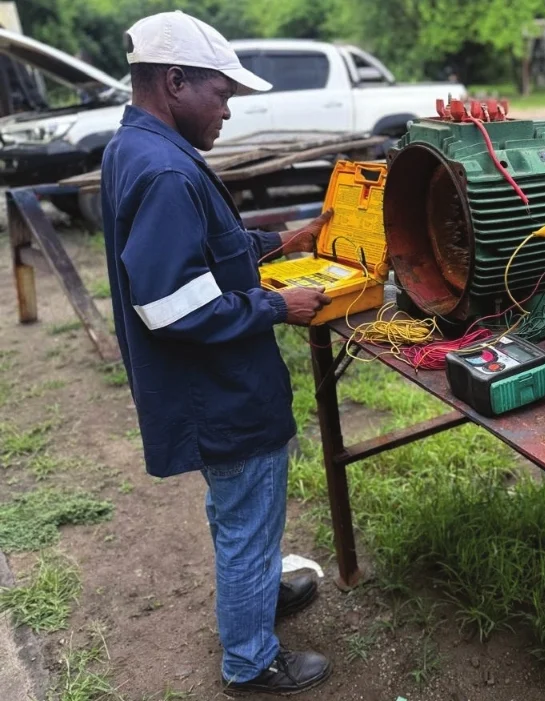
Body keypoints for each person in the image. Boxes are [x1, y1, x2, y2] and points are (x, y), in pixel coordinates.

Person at [100, 11, 335, 696]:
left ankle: (256, 591)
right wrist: (278, 304)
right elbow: (173, 303)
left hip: (211, 387)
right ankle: (250, 659)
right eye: (222, 93)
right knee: (245, 518)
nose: (228, 110)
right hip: (222, 393)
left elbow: (207, 253)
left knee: (240, 510)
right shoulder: (167, 171)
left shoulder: (138, 148)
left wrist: (279, 242)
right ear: (174, 82)